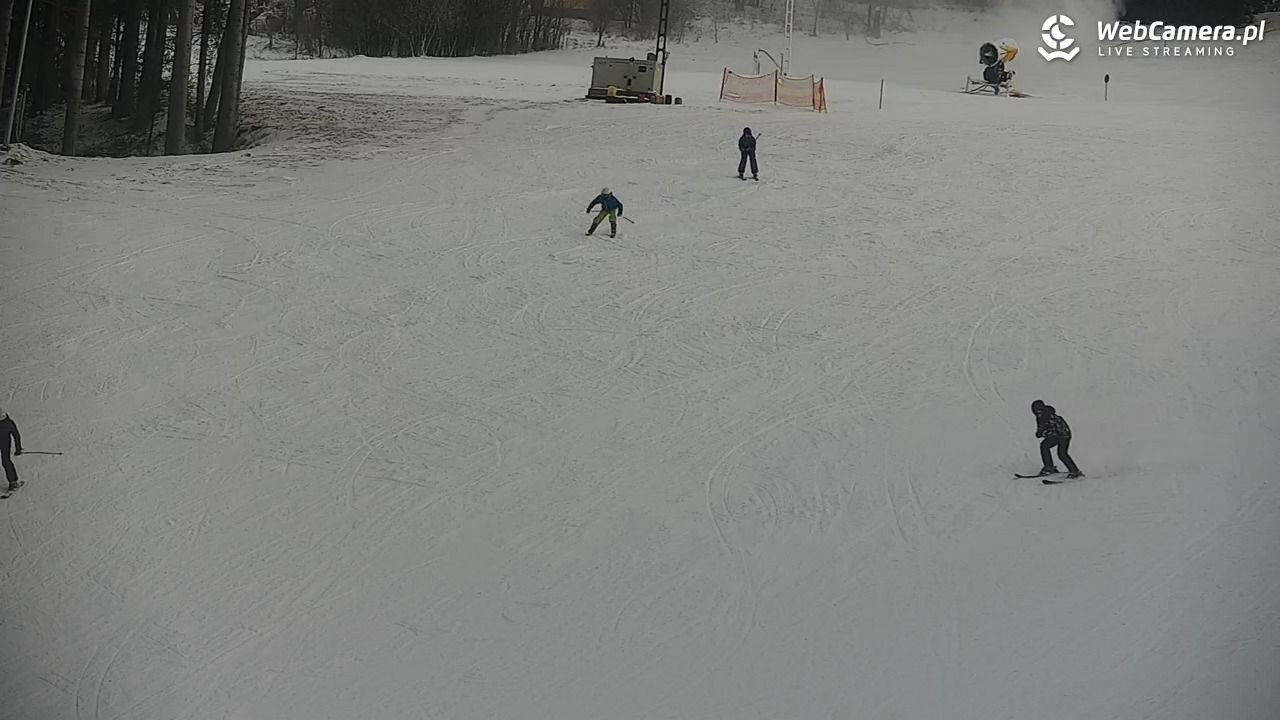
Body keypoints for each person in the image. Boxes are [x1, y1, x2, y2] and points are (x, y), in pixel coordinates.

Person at [1031, 400, 1082, 478]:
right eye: (1036, 412)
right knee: (1044, 445)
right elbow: (1041, 428)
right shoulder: (1039, 418)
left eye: (1039, 411)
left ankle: (1074, 471)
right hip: (1055, 436)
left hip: (1064, 435)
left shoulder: (1050, 416)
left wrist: (1044, 433)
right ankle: (1049, 467)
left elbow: (1057, 430)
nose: (1038, 413)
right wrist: (1039, 433)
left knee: (1062, 453)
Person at [0, 406, 22, 492]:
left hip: (5, 443)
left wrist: (18, 448)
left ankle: (13, 482)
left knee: (5, 461)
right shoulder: (7, 422)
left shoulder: (8, 423)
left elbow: (16, 435)